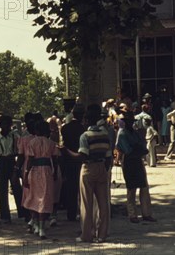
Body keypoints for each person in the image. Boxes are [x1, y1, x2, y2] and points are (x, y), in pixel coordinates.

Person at [61, 104, 111, 244]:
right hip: (101, 167)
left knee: (86, 204)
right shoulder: (104, 134)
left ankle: (86, 235)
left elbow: (81, 156)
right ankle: (102, 235)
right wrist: (104, 169)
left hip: (88, 168)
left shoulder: (85, 136)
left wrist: (66, 151)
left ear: (86, 120)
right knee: (103, 203)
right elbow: (108, 156)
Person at [116, 111, 156, 223]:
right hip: (129, 161)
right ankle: (132, 214)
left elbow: (142, 147)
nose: (130, 124)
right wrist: (138, 149)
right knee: (131, 188)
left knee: (144, 187)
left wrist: (138, 149)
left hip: (137, 160)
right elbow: (128, 150)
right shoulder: (122, 133)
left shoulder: (135, 133)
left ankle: (146, 213)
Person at [23, 121, 59, 239]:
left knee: (33, 197)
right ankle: (42, 227)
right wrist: (54, 173)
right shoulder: (51, 143)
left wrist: (26, 174)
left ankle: (36, 224)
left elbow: (30, 160)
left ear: (36, 131)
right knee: (45, 198)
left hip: (35, 171)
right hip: (47, 171)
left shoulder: (32, 143)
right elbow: (55, 159)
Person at [0, 115, 25, 223]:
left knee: (17, 187)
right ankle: (5, 216)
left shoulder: (15, 136)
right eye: (3, 124)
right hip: (1, 163)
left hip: (11, 161)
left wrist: (18, 166)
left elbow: (19, 151)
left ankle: (22, 212)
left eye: (7, 124)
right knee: (2, 190)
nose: (6, 127)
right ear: (0, 126)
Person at [59, 104, 85, 222]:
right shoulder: (84, 129)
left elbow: (63, 145)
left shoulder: (65, 128)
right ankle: (83, 212)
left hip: (68, 161)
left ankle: (71, 213)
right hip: (81, 160)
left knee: (71, 188)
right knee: (83, 189)